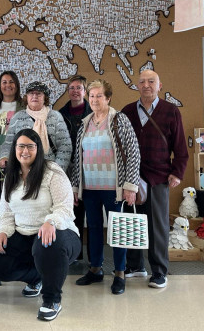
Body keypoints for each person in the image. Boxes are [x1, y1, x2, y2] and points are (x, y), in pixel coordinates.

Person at [0, 129, 80, 322]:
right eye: (21, 146)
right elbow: (6, 211)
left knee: (46, 243)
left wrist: (50, 221)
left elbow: (65, 206)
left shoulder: (52, 171)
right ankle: (37, 278)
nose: (25, 151)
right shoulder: (11, 175)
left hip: (59, 233)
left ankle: (52, 300)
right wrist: (2, 232)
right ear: (15, 149)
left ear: (38, 149)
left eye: (30, 146)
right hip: (24, 234)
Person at [71, 79, 140, 295]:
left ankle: (119, 272)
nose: (94, 99)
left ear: (108, 98)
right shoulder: (85, 123)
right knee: (92, 228)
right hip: (90, 187)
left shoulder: (119, 120)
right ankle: (95, 268)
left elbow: (134, 154)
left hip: (114, 188)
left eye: (99, 96)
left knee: (117, 229)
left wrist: (130, 186)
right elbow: (77, 157)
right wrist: (75, 187)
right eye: (91, 96)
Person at [121, 70, 188, 289]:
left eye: (151, 82)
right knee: (132, 221)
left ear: (160, 85)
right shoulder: (128, 111)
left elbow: (179, 146)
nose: (146, 85)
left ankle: (159, 271)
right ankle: (134, 265)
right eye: (142, 82)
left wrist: (177, 172)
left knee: (157, 226)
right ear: (137, 86)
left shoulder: (170, 111)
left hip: (159, 177)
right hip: (131, 177)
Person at [0, 81, 71, 173]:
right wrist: (4, 157)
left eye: (39, 94)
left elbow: (65, 146)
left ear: (45, 97)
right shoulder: (17, 117)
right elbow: (8, 144)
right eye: (31, 93)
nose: (34, 96)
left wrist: (57, 170)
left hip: (50, 170)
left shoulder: (55, 117)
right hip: (24, 171)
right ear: (26, 97)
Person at [58, 74, 92, 260]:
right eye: (71, 87)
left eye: (79, 88)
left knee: (90, 213)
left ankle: (93, 258)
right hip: (67, 170)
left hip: (90, 171)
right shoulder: (60, 114)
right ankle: (74, 255)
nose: (75, 91)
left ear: (85, 91)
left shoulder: (93, 112)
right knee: (72, 213)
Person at [0, 70, 24, 227]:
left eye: (11, 82)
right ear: (0, 86)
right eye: (4, 82)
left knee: (18, 200)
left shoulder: (25, 106)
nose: (8, 85)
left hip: (19, 160)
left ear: (17, 85)